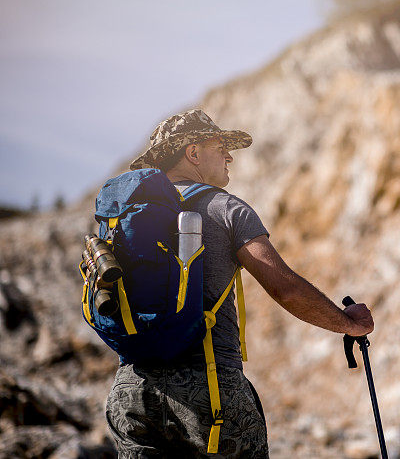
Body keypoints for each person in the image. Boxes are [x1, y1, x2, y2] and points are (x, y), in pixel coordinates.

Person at [106, 109, 374, 458]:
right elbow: (285, 288)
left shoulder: (123, 216)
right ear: (193, 153)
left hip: (132, 392)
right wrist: (347, 324)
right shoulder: (225, 208)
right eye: (221, 146)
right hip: (209, 390)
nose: (230, 156)